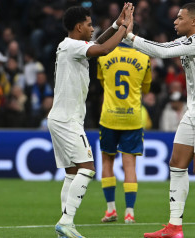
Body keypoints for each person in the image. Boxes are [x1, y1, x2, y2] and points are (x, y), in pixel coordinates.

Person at [124, 3, 195, 238]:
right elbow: (162, 49)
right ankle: (174, 227)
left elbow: (161, 51)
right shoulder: (188, 42)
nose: (175, 22)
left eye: (180, 18)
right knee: (176, 163)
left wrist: (129, 35)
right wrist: (126, 36)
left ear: (194, 22)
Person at [47, 4, 134, 238]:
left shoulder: (71, 46)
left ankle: (65, 224)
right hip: (67, 120)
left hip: (61, 118)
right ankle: (66, 222)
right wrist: (125, 28)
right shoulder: (71, 46)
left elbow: (97, 44)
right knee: (87, 169)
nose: (92, 27)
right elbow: (104, 49)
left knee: (72, 173)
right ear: (78, 27)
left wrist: (116, 24)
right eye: (89, 24)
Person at [97, 23, 152, 224]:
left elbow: (103, 84)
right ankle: (130, 212)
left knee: (107, 161)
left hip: (109, 117)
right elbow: (145, 89)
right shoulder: (144, 58)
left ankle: (111, 210)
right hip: (133, 118)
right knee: (129, 165)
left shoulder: (103, 56)